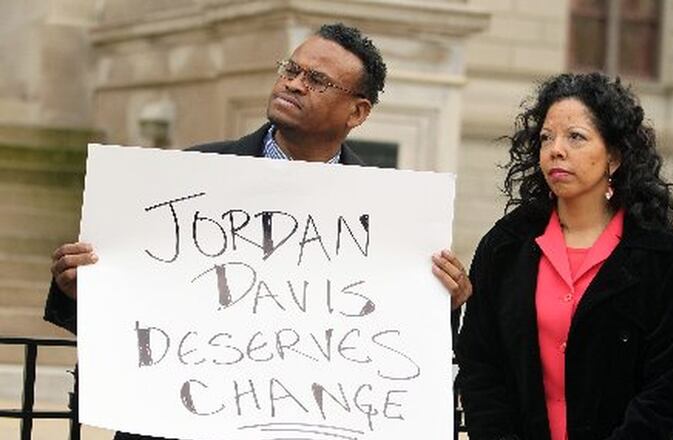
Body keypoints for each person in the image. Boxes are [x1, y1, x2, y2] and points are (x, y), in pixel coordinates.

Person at [46, 22, 471, 440]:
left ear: (357, 112)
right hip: (187, 424)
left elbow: (397, 344)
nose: (294, 84)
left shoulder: (393, 215)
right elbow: (137, 317)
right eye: (291, 70)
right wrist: (81, 287)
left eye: (317, 80)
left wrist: (441, 303)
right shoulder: (185, 179)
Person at [455, 72, 673, 440]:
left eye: (576, 137)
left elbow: (666, 390)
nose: (556, 149)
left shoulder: (664, 257)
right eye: (546, 138)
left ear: (614, 157)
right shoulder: (506, 246)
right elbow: (481, 367)